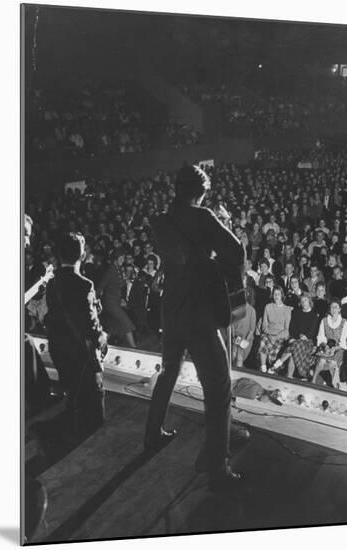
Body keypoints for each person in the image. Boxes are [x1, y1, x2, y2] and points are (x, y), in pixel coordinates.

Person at [144, 165, 245, 491]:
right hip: (199, 313)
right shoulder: (203, 217)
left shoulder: (159, 219)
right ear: (200, 190)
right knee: (219, 386)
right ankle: (215, 464)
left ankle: (152, 434)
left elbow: (175, 257)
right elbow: (236, 251)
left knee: (169, 371)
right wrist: (216, 268)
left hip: (171, 309)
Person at [45, 232, 108, 442]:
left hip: (58, 348)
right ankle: (85, 438)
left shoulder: (52, 284)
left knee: (73, 392)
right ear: (81, 255)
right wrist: (101, 336)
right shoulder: (84, 284)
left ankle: (68, 433)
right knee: (93, 396)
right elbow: (90, 325)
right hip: (80, 351)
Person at [270, 293, 318, 379]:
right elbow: (292, 328)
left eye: (306, 300)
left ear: (310, 301)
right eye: (302, 301)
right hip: (296, 340)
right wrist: (294, 337)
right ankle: (289, 376)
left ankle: (277, 364)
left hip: (308, 342)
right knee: (294, 349)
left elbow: (313, 332)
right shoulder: (296, 313)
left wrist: (305, 337)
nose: (304, 303)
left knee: (295, 345)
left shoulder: (314, 315)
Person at [311, 300, 347, 388]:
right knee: (322, 360)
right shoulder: (324, 320)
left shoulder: (344, 322)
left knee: (331, 363)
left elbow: (343, 342)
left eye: (336, 307)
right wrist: (325, 346)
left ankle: (333, 384)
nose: (334, 309)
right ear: (329, 309)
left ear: (339, 309)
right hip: (326, 346)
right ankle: (313, 380)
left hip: (338, 348)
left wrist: (334, 349)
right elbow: (320, 337)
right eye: (332, 307)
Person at [258, 286, 292, 373]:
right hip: (268, 335)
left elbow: (286, 329)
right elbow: (264, 326)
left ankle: (273, 367)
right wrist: (270, 335)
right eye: (274, 294)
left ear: (282, 295)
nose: (276, 296)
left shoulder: (287, 309)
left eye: (278, 294)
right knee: (263, 341)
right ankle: (263, 368)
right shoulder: (268, 307)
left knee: (277, 349)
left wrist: (276, 337)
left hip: (280, 336)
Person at [231, 302, 256, 369]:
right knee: (232, 355)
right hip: (235, 337)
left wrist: (245, 341)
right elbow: (231, 326)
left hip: (246, 339)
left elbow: (252, 330)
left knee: (239, 357)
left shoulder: (252, 310)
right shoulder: (235, 308)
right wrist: (234, 337)